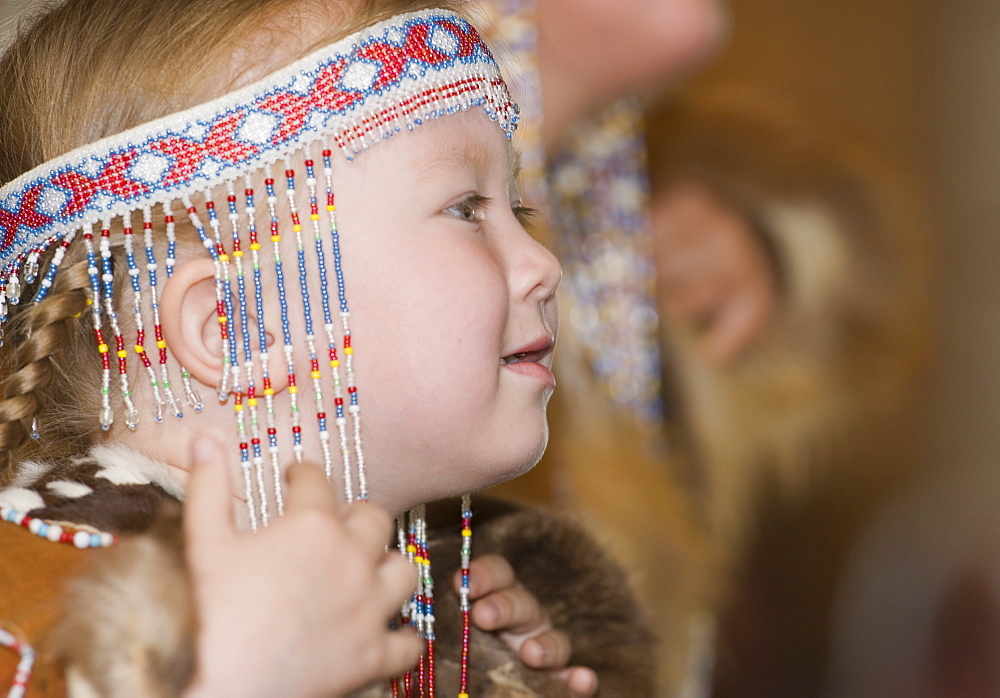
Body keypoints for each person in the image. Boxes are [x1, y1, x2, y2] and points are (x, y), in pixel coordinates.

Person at [0, 1, 654, 696]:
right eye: (465, 209)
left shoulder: (444, 621)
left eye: (517, 208)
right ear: (229, 327)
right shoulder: (38, 615)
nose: (541, 265)